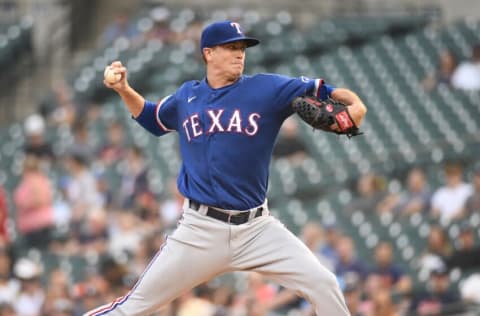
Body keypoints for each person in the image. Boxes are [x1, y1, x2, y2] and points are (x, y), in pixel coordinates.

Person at [86, 20, 366, 315]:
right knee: (133, 307)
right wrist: (124, 88)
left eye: (242, 48)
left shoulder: (267, 88)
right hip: (200, 230)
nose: (240, 54)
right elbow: (152, 118)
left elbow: (328, 93)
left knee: (324, 283)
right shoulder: (186, 97)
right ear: (208, 53)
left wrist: (356, 106)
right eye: (231, 47)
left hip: (257, 229)